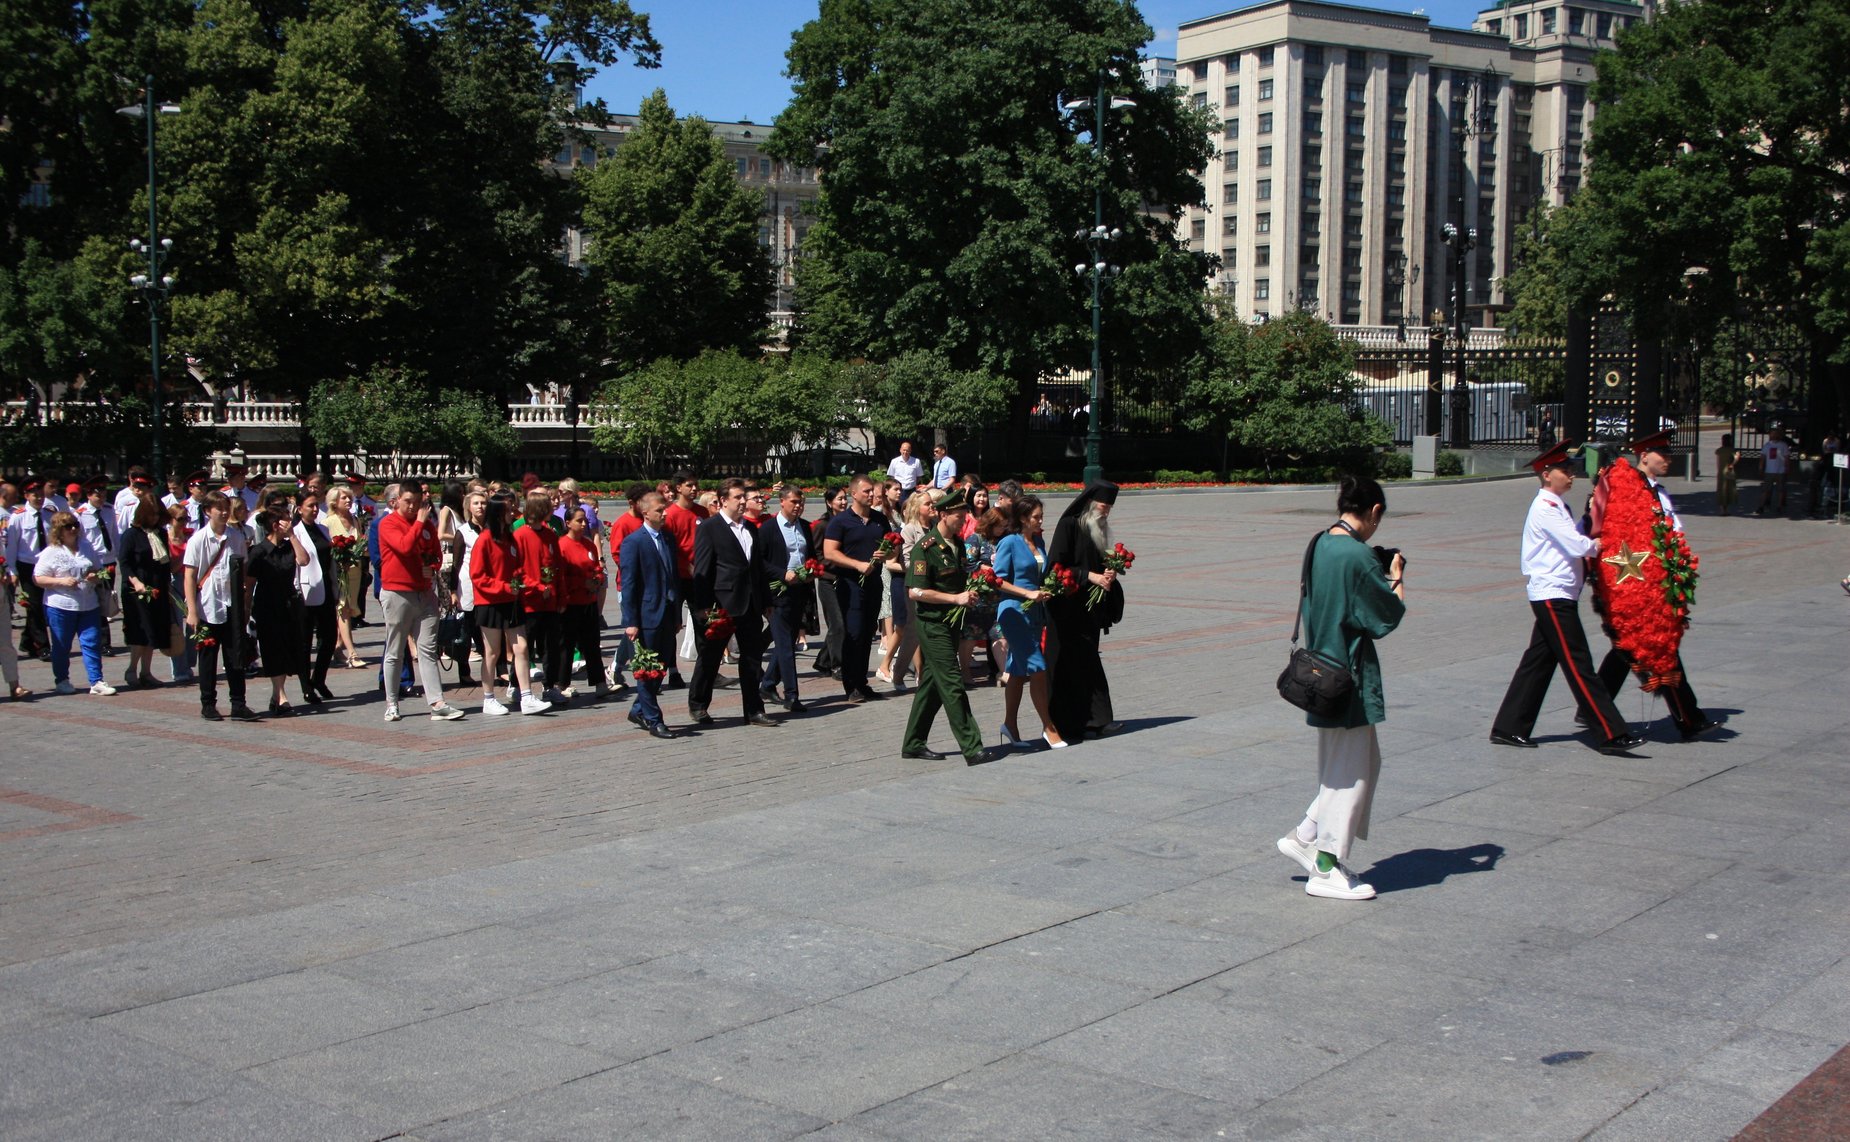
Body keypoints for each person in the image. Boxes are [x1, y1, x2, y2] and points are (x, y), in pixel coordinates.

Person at [1274, 475, 1407, 901]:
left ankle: (1304, 834)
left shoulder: (1320, 543)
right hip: (1349, 675)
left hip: (1320, 672)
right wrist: (1396, 577)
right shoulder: (1358, 556)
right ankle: (1326, 868)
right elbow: (1385, 616)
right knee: (1350, 776)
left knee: (1351, 767)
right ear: (1374, 512)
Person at [1489, 441, 1644, 756]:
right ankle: (1610, 732)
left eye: (1572, 469)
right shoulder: (1546, 507)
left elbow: (1574, 537)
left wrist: (1591, 525)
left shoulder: (1557, 505)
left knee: (1538, 663)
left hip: (1558, 593)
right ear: (1547, 475)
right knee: (1579, 663)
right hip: (1552, 595)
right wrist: (1608, 541)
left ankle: (1509, 727)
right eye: (1565, 470)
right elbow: (1577, 545)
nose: (1571, 474)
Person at [1590, 432, 1720, 742]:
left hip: (1659, 583)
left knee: (1629, 649)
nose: (1668, 459)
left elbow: (1671, 532)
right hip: (1638, 586)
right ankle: (1689, 718)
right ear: (1643, 455)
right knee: (1660, 649)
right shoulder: (1625, 488)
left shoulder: (1659, 492)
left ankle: (1594, 704)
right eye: (1662, 453)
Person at [899, 488, 996, 764]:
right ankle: (972, 746)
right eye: (958, 515)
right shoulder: (925, 548)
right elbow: (916, 592)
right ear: (943, 514)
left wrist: (972, 590)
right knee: (952, 683)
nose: (963, 519)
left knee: (932, 683)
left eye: (964, 514)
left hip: (953, 622)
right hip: (933, 625)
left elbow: (960, 580)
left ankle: (913, 742)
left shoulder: (957, 544)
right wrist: (955, 598)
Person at [377, 481, 466, 723]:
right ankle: (392, 703)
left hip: (425, 593)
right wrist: (418, 523)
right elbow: (404, 547)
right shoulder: (389, 524)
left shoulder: (426, 525)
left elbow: (436, 553)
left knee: (428, 649)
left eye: (417, 503)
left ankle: (437, 703)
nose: (413, 507)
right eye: (408, 502)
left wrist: (433, 566)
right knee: (395, 650)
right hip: (397, 593)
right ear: (397, 500)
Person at [689, 478, 775, 727]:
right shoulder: (710, 528)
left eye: (743, 497)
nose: (742, 502)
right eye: (737, 497)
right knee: (710, 657)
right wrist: (704, 607)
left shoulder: (750, 528)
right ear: (723, 500)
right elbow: (702, 570)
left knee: (751, 658)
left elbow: (757, 568)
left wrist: (766, 600)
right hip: (721, 603)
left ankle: (754, 710)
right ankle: (698, 704)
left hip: (750, 604)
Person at [1045, 481, 1122, 742]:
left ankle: (1095, 720)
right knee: (1069, 665)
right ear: (1090, 504)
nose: (1106, 512)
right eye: (1103, 506)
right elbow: (1055, 568)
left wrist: (1109, 574)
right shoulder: (1069, 525)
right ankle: (1072, 723)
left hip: (1089, 610)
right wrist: (1090, 576)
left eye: (1110, 508)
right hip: (1066, 609)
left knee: (1088, 661)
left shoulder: (1099, 530)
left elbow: (1099, 565)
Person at [992, 495, 1063, 749]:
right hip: (1013, 612)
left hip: (1035, 612)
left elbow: (1041, 572)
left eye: (1041, 516)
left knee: (1018, 670)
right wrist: (1028, 593)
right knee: (1038, 666)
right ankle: (1048, 726)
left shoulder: (1039, 540)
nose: (1040, 521)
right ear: (1022, 518)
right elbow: (997, 579)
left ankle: (1010, 725)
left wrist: (1048, 587)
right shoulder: (1009, 542)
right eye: (1036, 517)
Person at [183, 492, 260, 721]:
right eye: (219, 509)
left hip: (231, 604)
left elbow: (243, 571)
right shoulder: (198, 539)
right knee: (207, 657)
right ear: (208, 511)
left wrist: (245, 605)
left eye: (226, 508)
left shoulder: (235, 537)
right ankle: (208, 703)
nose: (224, 512)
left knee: (234, 656)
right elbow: (189, 575)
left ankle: (239, 703)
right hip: (208, 605)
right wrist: (192, 611)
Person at [469, 497, 547, 716]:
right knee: (492, 652)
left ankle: (526, 696)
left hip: (511, 602)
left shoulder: (509, 539)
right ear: (497, 515)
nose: (513, 513)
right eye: (508, 511)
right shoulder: (485, 539)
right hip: (490, 603)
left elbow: (517, 569)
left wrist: (524, 583)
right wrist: (504, 587)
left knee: (521, 648)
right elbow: (478, 576)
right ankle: (488, 698)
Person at [822, 475, 889, 703]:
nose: (871, 495)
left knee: (868, 632)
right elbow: (830, 552)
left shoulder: (880, 519)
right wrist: (856, 564)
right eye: (867, 491)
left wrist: (887, 553)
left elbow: (892, 548)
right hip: (850, 584)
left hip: (874, 583)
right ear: (854, 494)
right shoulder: (840, 521)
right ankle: (850, 685)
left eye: (872, 491)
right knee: (854, 633)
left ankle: (862, 682)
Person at [619, 490, 680, 738]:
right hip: (646, 616)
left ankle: (638, 708)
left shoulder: (667, 538)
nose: (664, 513)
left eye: (664, 508)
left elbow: (672, 576)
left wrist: (676, 614)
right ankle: (654, 720)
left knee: (662, 665)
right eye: (659, 510)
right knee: (647, 668)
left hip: (666, 612)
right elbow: (630, 584)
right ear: (645, 513)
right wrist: (631, 621)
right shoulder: (634, 542)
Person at [35, 511, 115, 695]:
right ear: (58, 531)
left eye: (75, 525)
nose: (73, 529)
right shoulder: (51, 552)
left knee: (92, 642)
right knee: (62, 645)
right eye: (68, 526)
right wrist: (61, 582)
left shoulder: (86, 547)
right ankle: (62, 680)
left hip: (89, 604)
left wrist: (96, 575)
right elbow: (38, 578)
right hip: (61, 605)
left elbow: (99, 569)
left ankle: (96, 681)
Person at [757, 486, 815, 713]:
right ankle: (792, 695)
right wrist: (782, 573)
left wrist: (810, 571)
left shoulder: (804, 527)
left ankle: (768, 683)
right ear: (782, 502)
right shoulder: (769, 528)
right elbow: (759, 561)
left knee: (788, 642)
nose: (798, 506)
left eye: (801, 502)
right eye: (793, 502)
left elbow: (808, 555)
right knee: (785, 646)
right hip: (777, 592)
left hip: (798, 591)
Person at [249, 508, 310, 715]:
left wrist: (292, 536)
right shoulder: (258, 551)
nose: (290, 523)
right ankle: (281, 696)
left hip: (288, 604)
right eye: (286, 521)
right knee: (272, 650)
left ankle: (277, 696)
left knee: (286, 650)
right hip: (267, 605)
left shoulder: (287, 547)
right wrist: (245, 611)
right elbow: (249, 584)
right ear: (276, 525)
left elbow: (303, 560)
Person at [514, 489, 569, 705]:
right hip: (529, 601)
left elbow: (557, 566)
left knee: (551, 646)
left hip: (550, 600)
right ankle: (517, 685)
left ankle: (549, 685)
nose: (553, 509)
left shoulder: (549, 535)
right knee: (524, 645)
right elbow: (517, 569)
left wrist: (561, 595)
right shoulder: (520, 535)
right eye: (548, 506)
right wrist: (535, 586)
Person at [118, 493, 174, 691]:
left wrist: (167, 585)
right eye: (151, 515)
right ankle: (132, 669)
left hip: (157, 587)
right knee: (140, 630)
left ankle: (146, 672)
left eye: (157, 515)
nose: (155, 519)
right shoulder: (131, 535)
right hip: (137, 589)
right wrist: (136, 581)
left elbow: (165, 562)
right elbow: (124, 564)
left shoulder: (160, 533)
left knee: (153, 630)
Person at [557, 505, 609, 700]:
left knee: (592, 643)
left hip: (589, 600)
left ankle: (599, 682)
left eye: (585, 520)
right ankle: (562, 683)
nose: (583, 523)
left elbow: (596, 566)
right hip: (570, 603)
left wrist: (597, 578)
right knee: (567, 644)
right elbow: (561, 576)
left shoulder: (588, 544)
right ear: (568, 523)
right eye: (579, 520)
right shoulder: (562, 545)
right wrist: (581, 583)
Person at [292, 491, 337, 705]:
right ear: (300, 508)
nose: (315, 509)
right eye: (310, 506)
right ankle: (305, 686)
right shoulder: (295, 533)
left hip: (326, 588)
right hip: (305, 591)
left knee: (329, 638)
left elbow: (331, 561)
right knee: (303, 641)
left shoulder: (323, 529)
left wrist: (336, 588)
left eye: (316, 505)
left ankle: (319, 678)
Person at [662, 470, 706, 689]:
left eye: (696, 485)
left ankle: (706, 670)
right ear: (678, 488)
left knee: (703, 622)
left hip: (699, 577)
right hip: (677, 578)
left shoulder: (702, 512)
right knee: (672, 625)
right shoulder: (669, 515)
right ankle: (673, 671)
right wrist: (685, 565)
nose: (694, 489)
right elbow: (670, 548)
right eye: (689, 485)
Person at [7, 477, 52, 657]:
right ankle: (43, 647)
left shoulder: (50, 514)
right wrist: (12, 570)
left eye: (41, 495)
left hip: (46, 567)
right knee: (35, 606)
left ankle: (27, 640)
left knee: (42, 606)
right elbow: (12, 546)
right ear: (26, 496)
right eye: (35, 495)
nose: (39, 498)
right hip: (27, 566)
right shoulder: (18, 517)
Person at [324, 486, 367, 668]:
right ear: (334, 502)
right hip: (339, 572)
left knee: (349, 608)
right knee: (343, 607)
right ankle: (352, 652)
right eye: (344, 498)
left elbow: (361, 542)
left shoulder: (355, 519)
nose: (348, 501)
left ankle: (337, 646)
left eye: (349, 498)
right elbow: (327, 549)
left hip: (355, 571)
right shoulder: (330, 522)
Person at [1756, 424, 1791, 516]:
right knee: (1766, 490)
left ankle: (1779, 506)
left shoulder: (1783, 445)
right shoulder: (1767, 445)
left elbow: (1787, 457)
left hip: (1780, 470)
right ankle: (1761, 506)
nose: (1773, 435)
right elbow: (1762, 458)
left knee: (1780, 489)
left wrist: (1787, 468)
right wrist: (1760, 467)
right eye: (1772, 434)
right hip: (1769, 470)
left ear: (1778, 435)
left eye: (1775, 434)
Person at [1714, 432, 1738, 516]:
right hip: (1730, 471)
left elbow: (1718, 462)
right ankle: (1726, 509)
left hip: (1721, 472)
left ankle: (1722, 509)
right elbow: (1736, 460)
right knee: (1728, 490)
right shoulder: (1732, 450)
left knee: (1721, 490)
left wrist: (1719, 470)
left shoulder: (1719, 450)